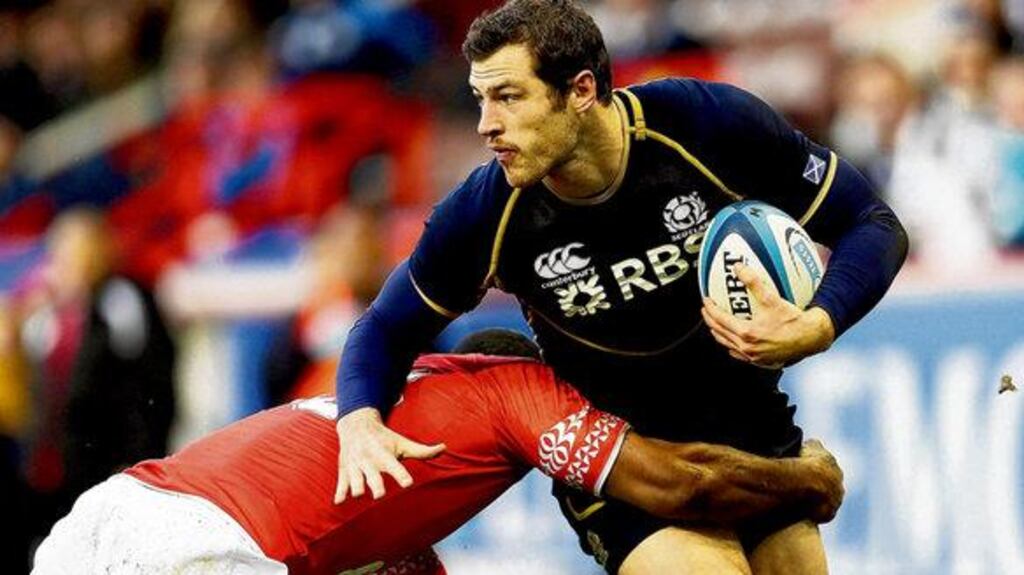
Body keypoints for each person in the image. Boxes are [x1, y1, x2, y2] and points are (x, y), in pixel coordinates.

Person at [332, 1, 907, 573]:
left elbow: (872, 224)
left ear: (581, 89)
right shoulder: (485, 213)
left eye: (508, 96)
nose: (485, 124)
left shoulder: (705, 125)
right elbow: (384, 327)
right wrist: (358, 421)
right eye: (481, 99)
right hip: (622, 463)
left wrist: (818, 323)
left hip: (751, 431)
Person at [33, 330, 844, 575]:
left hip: (107, 515)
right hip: (198, 546)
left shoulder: (402, 406)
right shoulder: (516, 388)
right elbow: (679, 486)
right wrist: (803, 482)